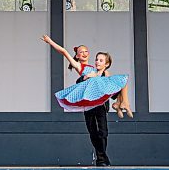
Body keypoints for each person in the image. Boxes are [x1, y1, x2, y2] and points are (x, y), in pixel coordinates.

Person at [41, 35, 133, 166]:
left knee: (103, 132)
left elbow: (112, 84)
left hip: (100, 104)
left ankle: (102, 156)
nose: (84, 53)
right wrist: (50, 42)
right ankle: (102, 157)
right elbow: (64, 52)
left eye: (86, 51)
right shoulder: (81, 67)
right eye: (80, 52)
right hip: (88, 104)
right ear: (77, 56)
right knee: (93, 132)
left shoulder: (100, 70)